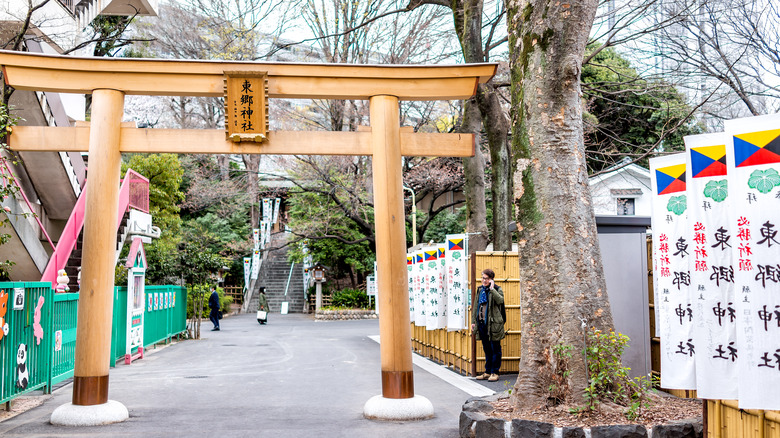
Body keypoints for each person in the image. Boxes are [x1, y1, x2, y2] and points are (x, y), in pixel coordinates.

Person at [471, 269, 505, 382]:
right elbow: (476, 306)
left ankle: (495, 372)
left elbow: (500, 300)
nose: (484, 280)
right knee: (486, 349)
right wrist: (473, 322)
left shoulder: (496, 289)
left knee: (495, 349)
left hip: (494, 325)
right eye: (483, 278)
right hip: (482, 323)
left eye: (486, 278)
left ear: (491, 280)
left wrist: (492, 289)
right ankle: (487, 371)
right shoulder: (480, 290)